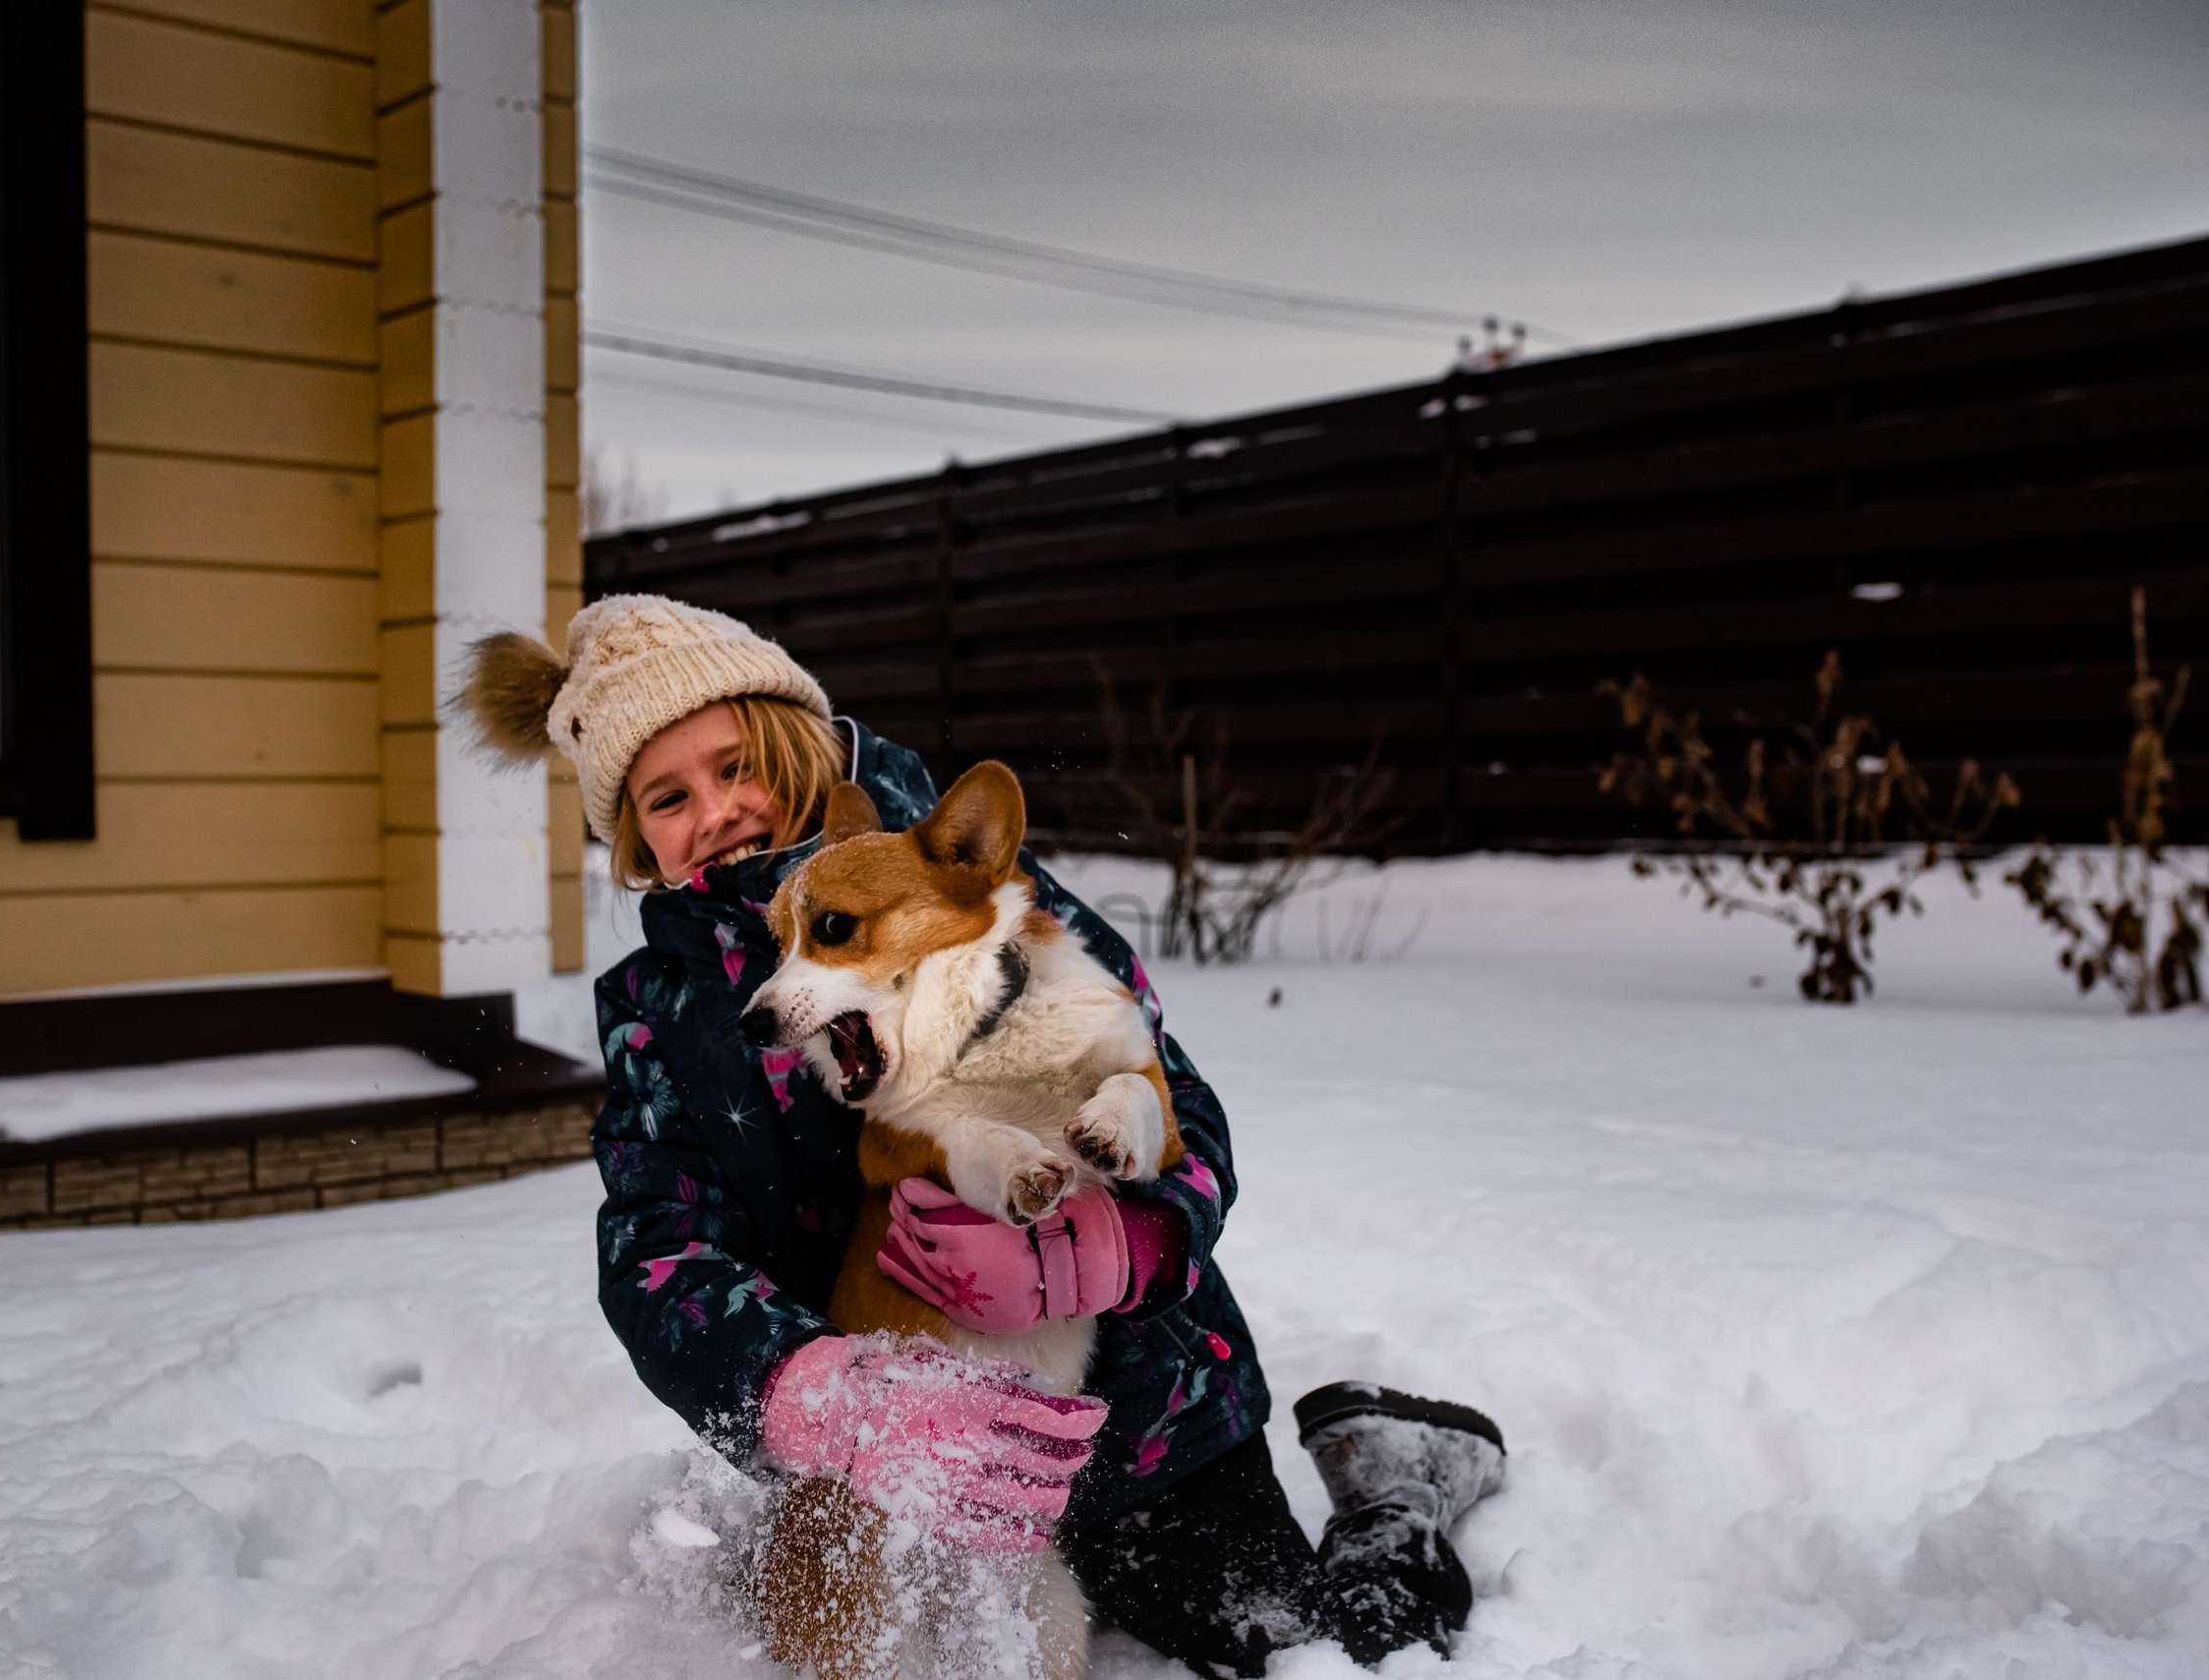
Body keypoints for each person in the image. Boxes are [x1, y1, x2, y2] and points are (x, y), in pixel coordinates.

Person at [463, 595, 1508, 1677]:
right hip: (916, 1453)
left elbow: (1175, 1102)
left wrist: (1125, 1243)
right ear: (633, 835)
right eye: (667, 797)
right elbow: (655, 1250)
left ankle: (1402, 1474)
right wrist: (811, 1387)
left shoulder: (970, 885)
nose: (716, 809)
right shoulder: (660, 1008)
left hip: (1138, 1416)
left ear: (794, 744)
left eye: (737, 765)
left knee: (1293, 1646)